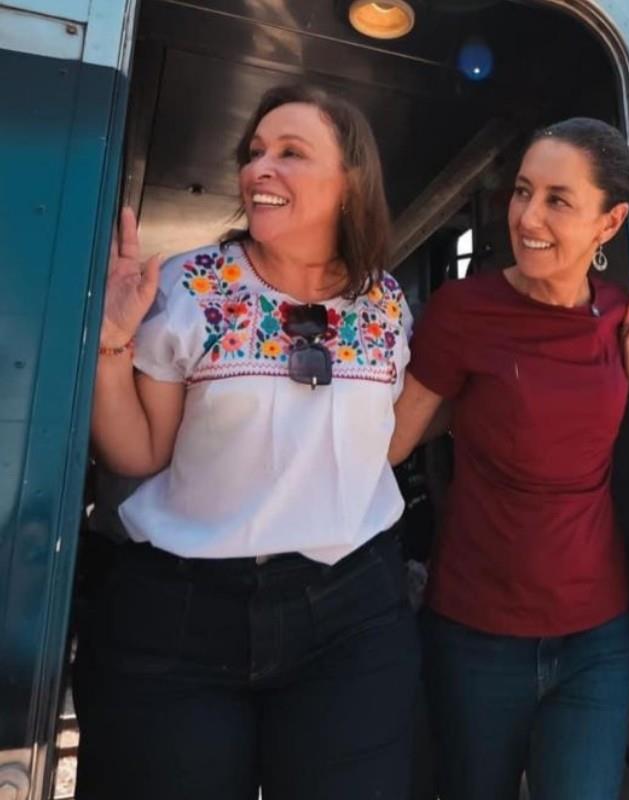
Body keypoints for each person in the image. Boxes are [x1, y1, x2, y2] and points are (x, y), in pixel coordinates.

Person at [75, 84, 420, 800]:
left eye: (291, 153)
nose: (259, 168)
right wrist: (111, 343)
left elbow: (391, 432)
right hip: (181, 617)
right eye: (255, 152)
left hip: (351, 614)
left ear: (351, 182)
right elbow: (138, 454)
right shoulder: (190, 286)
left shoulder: (385, 303)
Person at [388, 117, 629, 800]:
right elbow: (393, 444)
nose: (527, 216)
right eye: (523, 192)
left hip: (597, 635)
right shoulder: (464, 310)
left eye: (558, 200)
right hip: (478, 637)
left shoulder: (624, 317)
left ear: (609, 222)